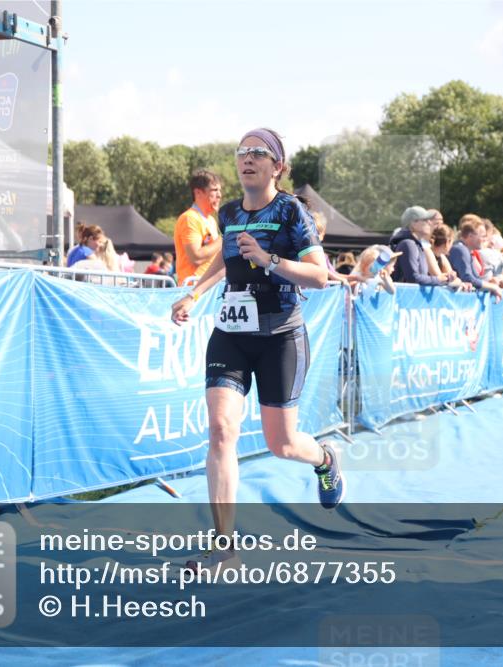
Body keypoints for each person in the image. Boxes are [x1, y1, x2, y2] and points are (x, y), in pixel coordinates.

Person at [170, 128, 345, 569]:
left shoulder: (290, 211)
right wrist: (194, 294)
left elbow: (320, 276)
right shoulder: (228, 212)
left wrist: (268, 260)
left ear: (277, 166)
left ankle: (325, 458)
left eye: (259, 153)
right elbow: (223, 259)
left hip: (280, 335)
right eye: (242, 152)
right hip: (232, 333)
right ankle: (224, 546)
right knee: (220, 430)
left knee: (281, 443)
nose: (248, 158)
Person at [389, 206, 463, 288]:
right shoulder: (408, 244)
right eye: (425, 220)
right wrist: (438, 279)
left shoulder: (416, 245)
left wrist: (444, 278)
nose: (430, 223)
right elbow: (413, 278)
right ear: (414, 224)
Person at [174, 170, 223, 285]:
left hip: (209, 287)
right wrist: (223, 239)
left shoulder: (211, 220)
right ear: (198, 193)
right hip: (192, 288)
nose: (219, 195)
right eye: (214, 190)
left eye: (220, 190)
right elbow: (196, 258)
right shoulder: (189, 218)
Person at [448, 219, 503, 301]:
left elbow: (474, 279)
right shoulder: (461, 250)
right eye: (482, 236)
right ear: (470, 236)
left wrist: (488, 284)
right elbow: (468, 278)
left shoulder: (466, 250)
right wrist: (493, 287)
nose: (485, 240)